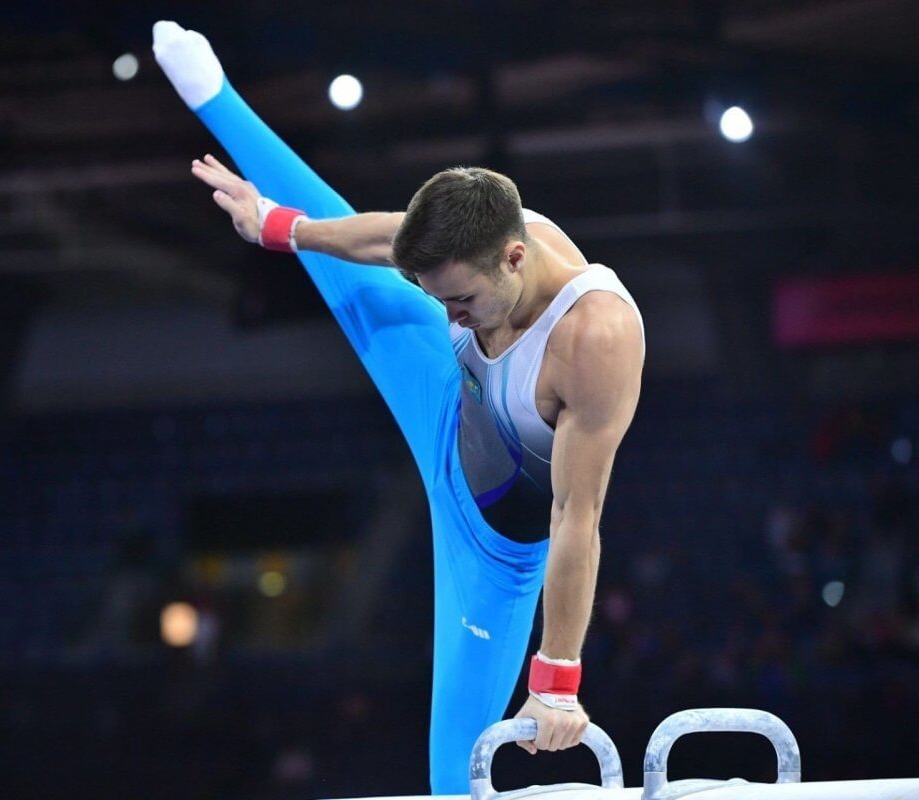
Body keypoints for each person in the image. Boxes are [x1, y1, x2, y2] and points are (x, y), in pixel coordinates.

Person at [153, 21, 645, 794]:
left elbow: (575, 519)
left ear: (516, 258)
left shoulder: (594, 339)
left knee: (454, 774)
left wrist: (557, 678)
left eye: (461, 300)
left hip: (494, 546)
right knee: (346, 268)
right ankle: (214, 96)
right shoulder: (478, 245)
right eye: (439, 296)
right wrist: (278, 227)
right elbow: (388, 238)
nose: (451, 317)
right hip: (448, 407)